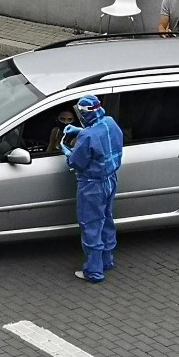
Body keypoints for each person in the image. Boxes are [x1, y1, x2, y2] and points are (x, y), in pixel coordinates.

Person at [60, 95, 124, 283]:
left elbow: (76, 162)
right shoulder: (110, 123)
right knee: (106, 219)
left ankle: (94, 271)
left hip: (92, 185)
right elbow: (100, 137)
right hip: (110, 179)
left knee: (91, 224)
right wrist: (80, 131)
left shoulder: (88, 136)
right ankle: (107, 259)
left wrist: (65, 149)